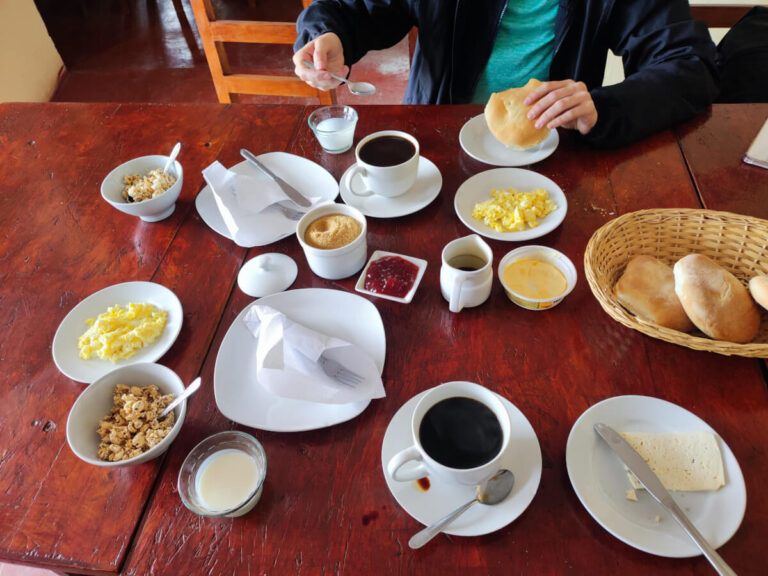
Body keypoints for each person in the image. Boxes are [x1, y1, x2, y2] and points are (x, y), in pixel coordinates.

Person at [293, 0, 719, 148]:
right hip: (438, 143)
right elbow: (355, 8)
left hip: (556, 153)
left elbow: (689, 64)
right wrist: (327, 34)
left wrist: (603, 109)